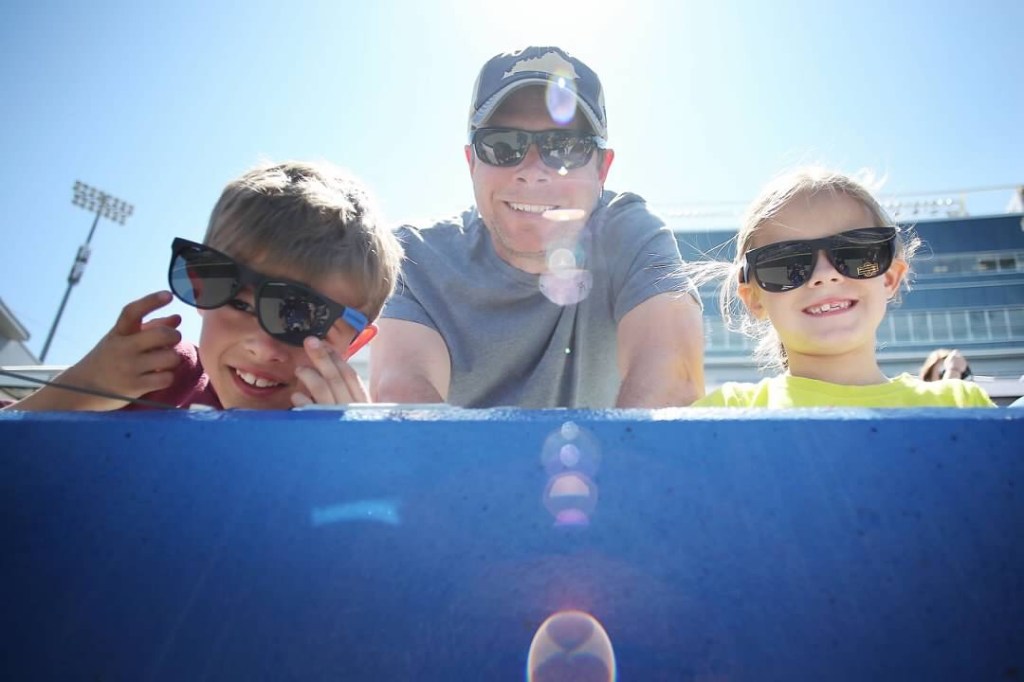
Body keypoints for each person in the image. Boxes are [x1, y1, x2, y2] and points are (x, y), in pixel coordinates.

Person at [370, 46, 704, 408]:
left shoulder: (630, 236)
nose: (532, 172)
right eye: (502, 145)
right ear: (472, 163)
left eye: (565, 147)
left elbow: (673, 377)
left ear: (602, 170)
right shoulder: (413, 258)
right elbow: (402, 396)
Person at [3, 160, 403, 411]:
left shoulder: (345, 440)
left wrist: (348, 449)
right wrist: (86, 386)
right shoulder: (155, 375)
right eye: (239, 303)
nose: (261, 347)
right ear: (202, 286)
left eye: (302, 322)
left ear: (354, 344)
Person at [690, 167, 995, 408]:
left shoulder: (959, 404)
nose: (825, 275)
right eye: (786, 263)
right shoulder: (726, 411)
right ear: (754, 299)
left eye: (855, 253)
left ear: (890, 278)